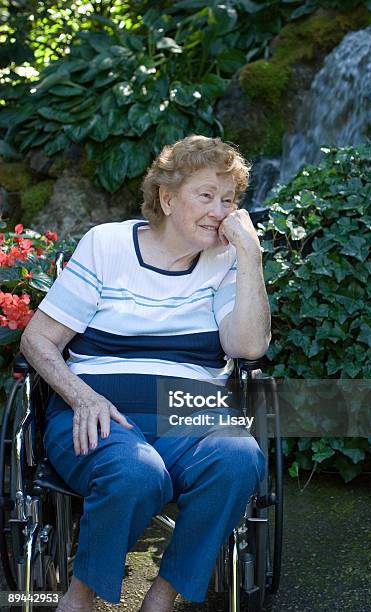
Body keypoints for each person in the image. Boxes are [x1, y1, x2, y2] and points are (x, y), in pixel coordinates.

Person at [20, 134, 271, 612]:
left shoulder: (225, 260)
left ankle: (160, 599)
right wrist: (82, 397)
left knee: (239, 456)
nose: (220, 210)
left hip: (191, 412)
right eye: (206, 196)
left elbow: (248, 346)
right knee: (136, 472)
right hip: (98, 411)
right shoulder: (107, 245)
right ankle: (80, 598)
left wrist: (250, 258)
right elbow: (37, 339)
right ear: (168, 197)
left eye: (229, 199)